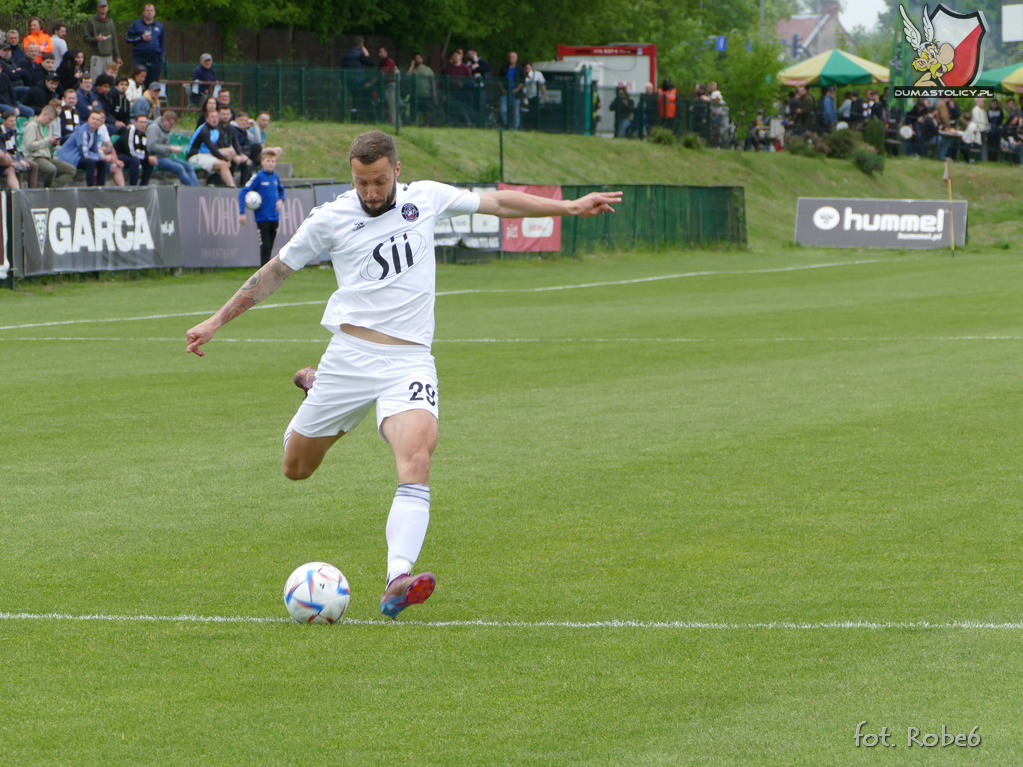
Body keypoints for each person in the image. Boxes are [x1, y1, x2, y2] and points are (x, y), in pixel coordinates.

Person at [184, 130, 622, 619]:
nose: (370, 192)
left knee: (417, 454)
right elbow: (275, 272)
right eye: (360, 183)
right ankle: (315, 387)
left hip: (409, 361)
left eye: (378, 181)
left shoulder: (425, 199)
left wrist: (568, 208)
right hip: (348, 359)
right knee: (296, 468)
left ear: (397, 169)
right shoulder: (330, 219)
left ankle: (397, 579)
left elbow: (496, 201)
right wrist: (216, 320)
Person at [238, 149, 286, 266]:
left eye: (273, 161)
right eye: (268, 160)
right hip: (262, 218)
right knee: (265, 246)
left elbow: (281, 189)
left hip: (274, 217)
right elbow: (243, 192)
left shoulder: (275, 177)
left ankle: (266, 272)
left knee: (270, 247)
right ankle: (263, 273)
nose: (270, 163)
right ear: (262, 162)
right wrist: (242, 212)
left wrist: (281, 200)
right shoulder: (258, 177)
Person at [23, 105, 76, 187]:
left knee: (71, 170)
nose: (50, 122)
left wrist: (53, 144)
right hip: (35, 156)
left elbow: (45, 146)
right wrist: (46, 140)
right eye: (50, 119)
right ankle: (48, 189)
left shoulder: (47, 126)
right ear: (44, 114)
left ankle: (54, 187)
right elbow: (29, 145)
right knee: (51, 169)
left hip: (47, 156)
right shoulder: (32, 126)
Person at [57, 108, 109, 185]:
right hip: (70, 157)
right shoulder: (82, 131)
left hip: (79, 156)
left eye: (98, 120)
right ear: (88, 119)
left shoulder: (95, 132)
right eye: (93, 118)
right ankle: (90, 189)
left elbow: (94, 150)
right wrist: (101, 157)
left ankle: (100, 188)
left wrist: (102, 157)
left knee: (102, 163)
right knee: (90, 163)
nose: (95, 121)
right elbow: (85, 154)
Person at [146, 109, 199, 185]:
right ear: (164, 120)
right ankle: (193, 190)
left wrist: (171, 148)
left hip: (166, 157)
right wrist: (170, 149)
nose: (171, 127)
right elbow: (151, 146)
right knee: (179, 168)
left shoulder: (166, 129)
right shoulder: (154, 128)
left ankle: (198, 189)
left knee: (189, 166)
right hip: (156, 158)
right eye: (170, 124)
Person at [187, 106, 235, 186]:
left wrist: (226, 157)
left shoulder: (217, 130)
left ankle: (217, 178)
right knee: (223, 164)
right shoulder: (204, 130)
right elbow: (212, 149)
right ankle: (232, 187)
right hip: (197, 155)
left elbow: (219, 146)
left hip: (207, 154)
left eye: (216, 117)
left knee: (230, 152)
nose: (215, 119)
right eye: (212, 117)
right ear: (207, 119)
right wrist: (225, 159)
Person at [126, 4, 164, 89]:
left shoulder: (159, 27)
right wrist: (141, 38)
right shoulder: (136, 24)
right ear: (143, 12)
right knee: (137, 82)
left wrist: (161, 58)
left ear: (154, 12)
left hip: (154, 59)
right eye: (147, 10)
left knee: (152, 84)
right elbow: (128, 39)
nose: (149, 12)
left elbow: (162, 44)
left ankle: (150, 101)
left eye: (151, 10)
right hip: (139, 58)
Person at [83, 0, 122, 80]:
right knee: (95, 78)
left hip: (109, 56)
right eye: (101, 6)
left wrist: (117, 56)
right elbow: (86, 38)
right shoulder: (91, 21)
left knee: (110, 78)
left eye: (105, 6)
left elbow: (114, 40)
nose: (103, 8)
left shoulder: (110, 22)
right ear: (98, 8)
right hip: (97, 55)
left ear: (107, 7)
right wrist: (95, 39)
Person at [0, 112, 38, 187]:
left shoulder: (14, 132)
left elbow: (16, 150)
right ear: (4, 121)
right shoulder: (1, 133)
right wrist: (17, 161)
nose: (13, 123)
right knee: (18, 167)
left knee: (34, 165)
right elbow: (3, 152)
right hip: (6, 159)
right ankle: (18, 193)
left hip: (14, 157)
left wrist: (21, 159)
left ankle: (32, 190)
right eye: (11, 121)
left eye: (14, 121)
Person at [118, 112, 156, 185]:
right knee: (135, 161)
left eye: (145, 123)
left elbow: (145, 150)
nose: (143, 125)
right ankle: (133, 186)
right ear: (135, 123)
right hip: (122, 155)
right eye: (141, 122)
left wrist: (149, 158)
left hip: (136, 156)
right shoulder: (128, 132)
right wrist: (147, 157)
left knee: (150, 163)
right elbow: (130, 151)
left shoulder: (145, 134)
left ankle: (143, 186)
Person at [341, 36, 373, 121]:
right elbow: (371, 63)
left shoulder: (346, 53)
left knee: (353, 99)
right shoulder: (360, 54)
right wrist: (367, 53)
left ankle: (350, 117)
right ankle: (356, 118)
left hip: (348, 81)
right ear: (361, 44)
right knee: (358, 100)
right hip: (359, 81)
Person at [497, 51, 526, 130]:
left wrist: (517, 89)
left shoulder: (520, 69)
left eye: (513, 57)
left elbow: (523, 81)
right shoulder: (504, 68)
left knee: (515, 112)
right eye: (510, 57)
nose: (511, 59)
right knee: (503, 110)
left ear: (516, 58)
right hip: (505, 93)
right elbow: (499, 80)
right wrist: (502, 89)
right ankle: (506, 125)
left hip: (516, 94)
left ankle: (515, 128)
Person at [407, 53, 436, 126]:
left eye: (419, 58)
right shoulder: (414, 70)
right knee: (415, 111)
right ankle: (416, 125)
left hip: (426, 94)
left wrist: (434, 92)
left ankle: (426, 124)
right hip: (415, 94)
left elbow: (432, 81)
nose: (417, 59)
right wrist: (412, 65)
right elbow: (407, 76)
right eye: (416, 58)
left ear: (422, 59)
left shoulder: (428, 69)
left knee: (427, 111)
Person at [522, 61, 547, 129]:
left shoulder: (537, 74)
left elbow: (542, 85)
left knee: (535, 111)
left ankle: (536, 126)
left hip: (536, 95)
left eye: (528, 67)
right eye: (525, 68)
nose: (527, 69)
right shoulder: (523, 76)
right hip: (527, 97)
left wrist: (545, 96)